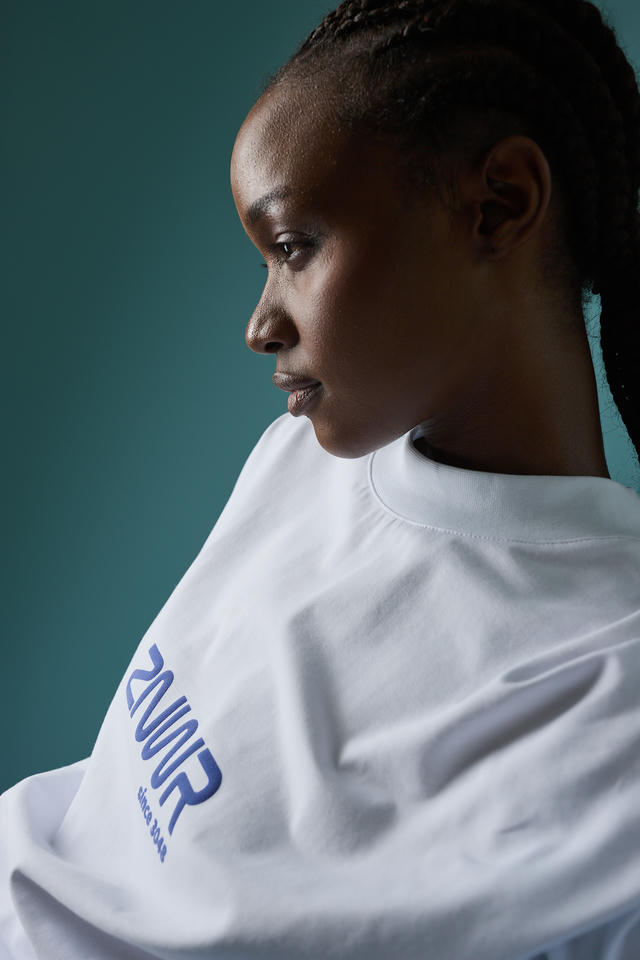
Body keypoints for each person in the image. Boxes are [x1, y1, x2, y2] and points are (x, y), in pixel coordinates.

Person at [2, 0, 640, 956]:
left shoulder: (609, 686)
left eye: (293, 248)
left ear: (499, 204)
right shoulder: (296, 463)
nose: (260, 324)